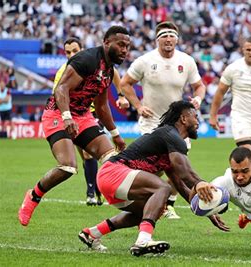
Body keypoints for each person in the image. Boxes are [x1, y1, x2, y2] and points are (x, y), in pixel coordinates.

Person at [79, 101, 228, 256]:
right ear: (184, 119)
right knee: (163, 188)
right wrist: (200, 183)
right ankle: (143, 241)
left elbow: (182, 185)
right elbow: (186, 173)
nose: (198, 121)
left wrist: (208, 210)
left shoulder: (170, 142)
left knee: (151, 210)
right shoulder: (172, 136)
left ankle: (92, 234)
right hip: (114, 173)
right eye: (195, 117)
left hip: (113, 180)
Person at [18, 26, 131, 227]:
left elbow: (103, 106)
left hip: (83, 116)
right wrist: (67, 116)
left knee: (113, 160)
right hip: (57, 113)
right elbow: (61, 88)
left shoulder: (108, 70)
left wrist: (115, 134)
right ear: (106, 42)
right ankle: (33, 196)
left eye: (127, 46)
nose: (125, 50)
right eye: (120, 44)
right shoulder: (86, 59)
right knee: (68, 167)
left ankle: (121, 203)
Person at [120, 21, 206, 219]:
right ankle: (129, 194)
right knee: (155, 168)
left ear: (177, 39)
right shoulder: (145, 60)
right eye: (164, 36)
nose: (168, 39)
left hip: (178, 125)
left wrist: (198, 99)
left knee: (178, 166)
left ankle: (168, 204)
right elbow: (125, 84)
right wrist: (139, 106)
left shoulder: (186, 61)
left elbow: (199, 86)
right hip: (152, 123)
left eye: (172, 35)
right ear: (157, 39)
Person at [53, 37, 130, 206]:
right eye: (68, 52)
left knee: (92, 154)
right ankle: (95, 189)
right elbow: (59, 93)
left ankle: (93, 193)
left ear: (83, 49)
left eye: (75, 50)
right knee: (84, 156)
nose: (72, 54)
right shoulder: (63, 72)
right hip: (74, 117)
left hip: (93, 114)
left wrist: (121, 95)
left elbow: (115, 75)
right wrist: (66, 116)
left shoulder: (96, 64)